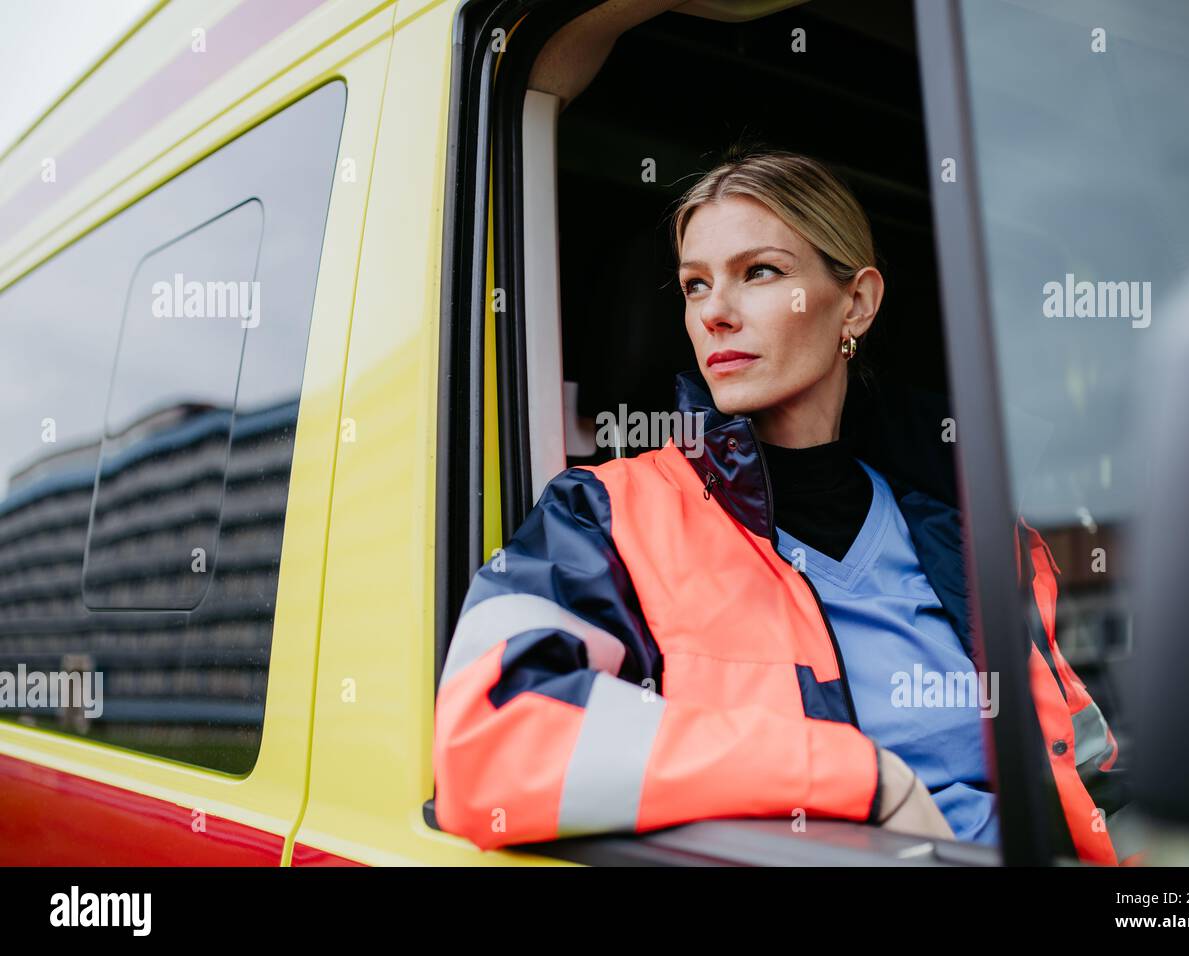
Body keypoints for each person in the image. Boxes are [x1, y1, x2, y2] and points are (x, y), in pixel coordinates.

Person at [433, 147, 1129, 863]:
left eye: (758, 273)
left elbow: (1093, 781)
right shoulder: (602, 514)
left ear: (855, 303)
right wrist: (862, 780)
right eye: (695, 286)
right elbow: (490, 737)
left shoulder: (986, 540)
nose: (715, 315)